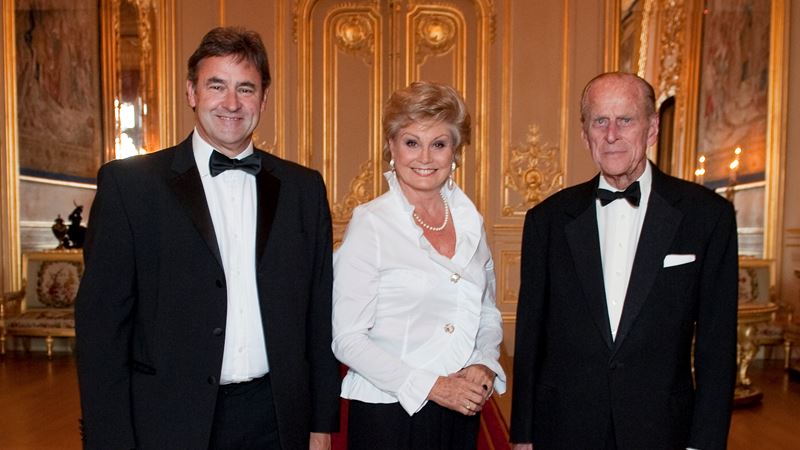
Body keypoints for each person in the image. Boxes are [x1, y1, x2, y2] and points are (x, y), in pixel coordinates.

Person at [75, 27, 339, 450]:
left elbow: (317, 315)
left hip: (275, 418)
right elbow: (101, 329)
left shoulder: (303, 189)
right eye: (217, 85)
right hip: (166, 420)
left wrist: (320, 424)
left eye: (246, 89)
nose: (232, 103)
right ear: (191, 93)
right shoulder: (130, 187)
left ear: (264, 100)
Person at [510, 72, 738, 450]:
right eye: (600, 121)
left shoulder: (706, 216)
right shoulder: (547, 220)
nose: (611, 134)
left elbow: (717, 345)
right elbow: (532, 335)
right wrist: (523, 434)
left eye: (626, 120)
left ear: (651, 128)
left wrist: (705, 442)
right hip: (565, 427)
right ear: (585, 134)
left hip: (662, 430)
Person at [331, 81, 507, 450]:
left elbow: (487, 312)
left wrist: (484, 363)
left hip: (460, 411)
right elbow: (348, 340)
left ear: (455, 152)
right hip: (391, 415)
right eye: (412, 142)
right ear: (391, 147)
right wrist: (434, 387)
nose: (425, 157)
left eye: (438, 144)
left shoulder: (470, 219)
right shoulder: (371, 224)